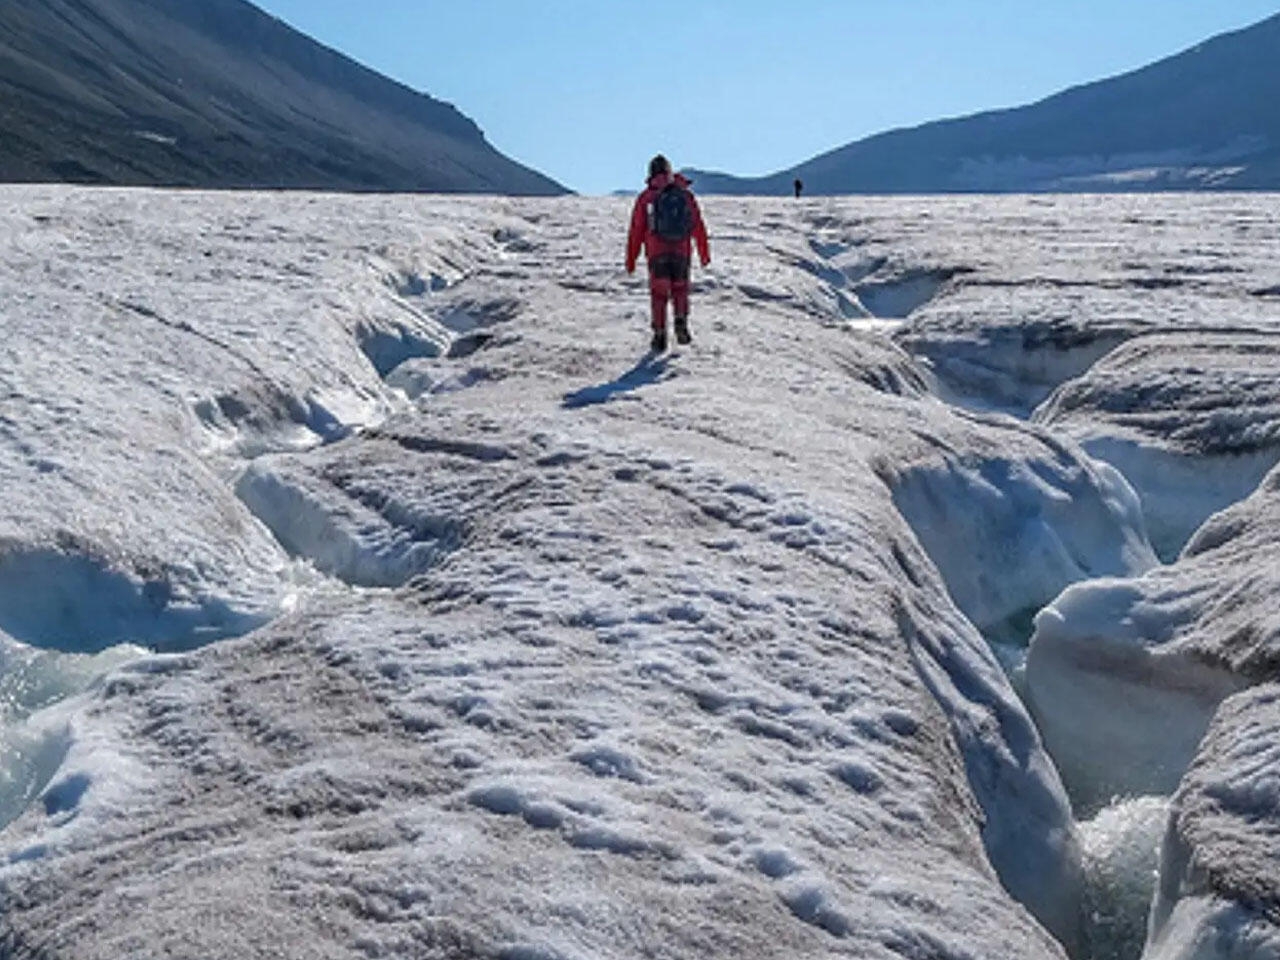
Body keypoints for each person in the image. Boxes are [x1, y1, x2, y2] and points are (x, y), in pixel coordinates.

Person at [625, 155, 711, 352]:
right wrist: (704, 252)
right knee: (680, 289)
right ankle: (681, 320)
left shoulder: (646, 197)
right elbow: (697, 225)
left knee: (659, 293)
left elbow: (636, 230)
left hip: (657, 253)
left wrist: (631, 258)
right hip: (681, 251)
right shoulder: (685, 195)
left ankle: (660, 334)